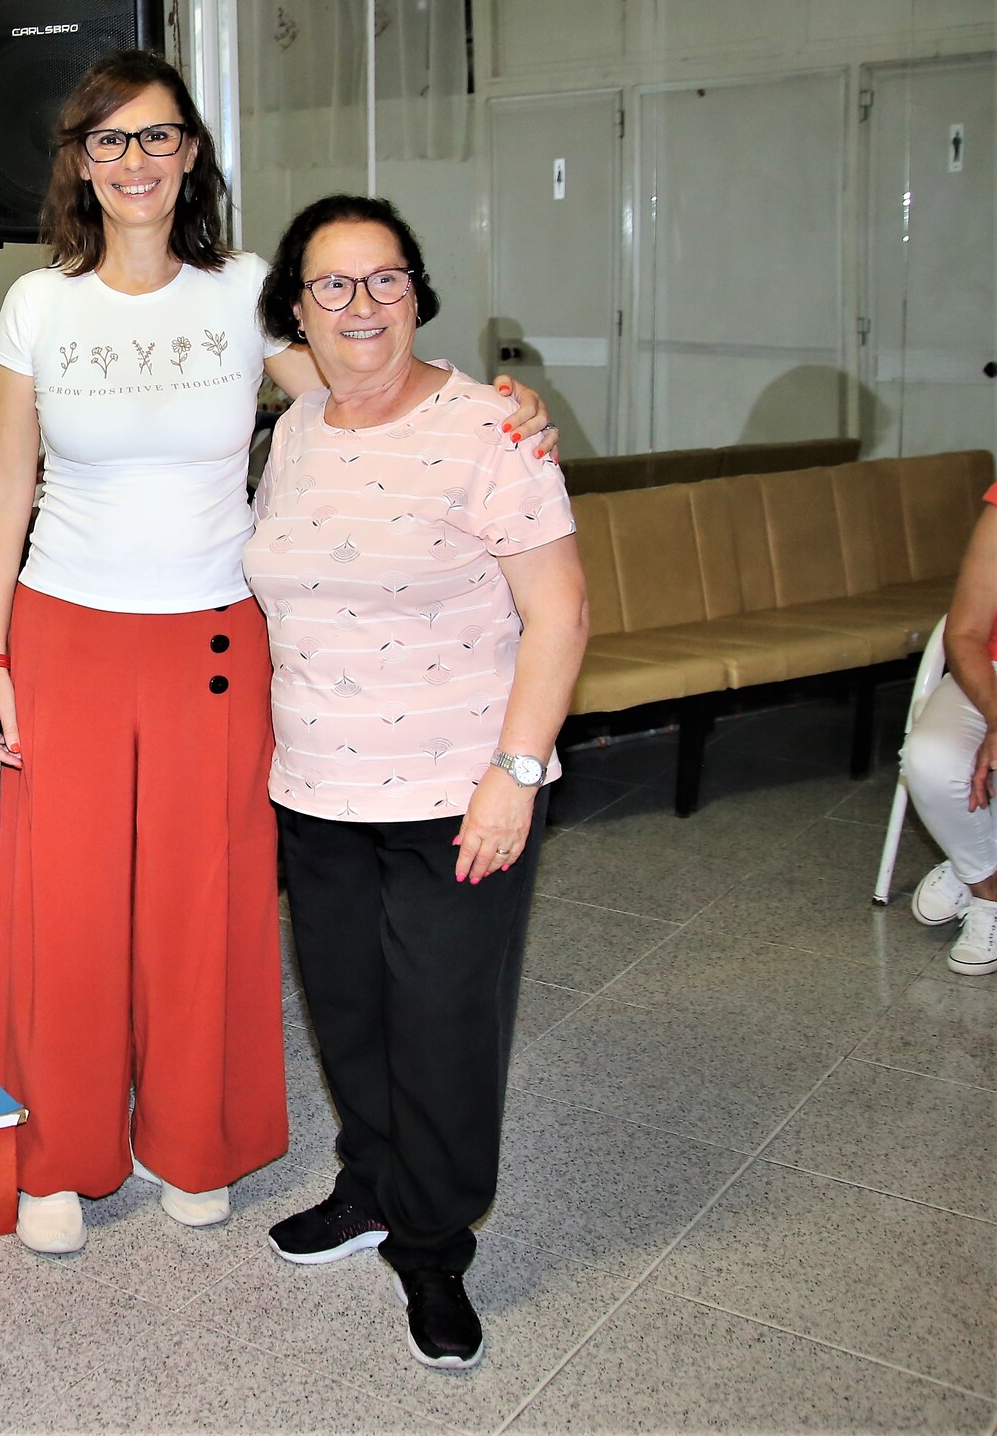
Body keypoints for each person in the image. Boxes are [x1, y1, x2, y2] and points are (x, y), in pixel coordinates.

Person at [0, 53, 556, 1257]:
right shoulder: (37, 304)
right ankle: (60, 1153)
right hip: (65, 628)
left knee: (205, 900)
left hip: (217, 636)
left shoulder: (244, 292)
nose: (136, 160)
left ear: (191, 154)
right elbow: (5, 480)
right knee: (65, 908)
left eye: (159, 136)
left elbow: (360, 383)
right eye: (110, 139)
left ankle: (194, 1141)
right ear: (81, 161)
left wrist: (497, 408)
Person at [245, 194, 588, 1372]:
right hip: (319, 787)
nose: (362, 305)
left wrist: (516, 773)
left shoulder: (492, 428)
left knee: (441, 1023)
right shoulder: (298, 429)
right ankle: (373, 1184)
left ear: (417, 293)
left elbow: (560, 613)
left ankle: (435, 1241)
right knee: (350, 1013)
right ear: (298, 310)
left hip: (459, 793)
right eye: (333, 285)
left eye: (385, 278)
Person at [899, 481, 997, 976]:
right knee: (930, 759)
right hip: (990, 671)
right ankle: (986, 884)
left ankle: (972, 856)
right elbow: (966, 631)